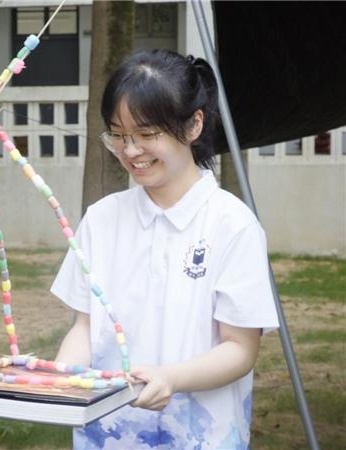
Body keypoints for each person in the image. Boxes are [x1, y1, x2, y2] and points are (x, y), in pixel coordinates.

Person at [51, 49, 279, 449]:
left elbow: (240, 350)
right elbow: (85, 328)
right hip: (105, 435)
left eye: (147, 134)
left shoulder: (233, 225)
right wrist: (59, 378)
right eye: (119, 135)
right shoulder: (101, 219)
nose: (130, 151)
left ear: (193, 125)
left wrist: (170, 378)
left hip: (200, 436)